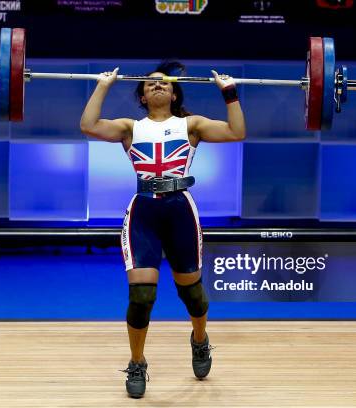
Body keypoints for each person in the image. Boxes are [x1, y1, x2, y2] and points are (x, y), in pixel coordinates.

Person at [80, 61, 246, 398]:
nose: (158, 86)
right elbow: (88, 126)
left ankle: (200, 340)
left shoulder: (192, 125)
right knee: (142, 296)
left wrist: (229, 93)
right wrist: (103, 85)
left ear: (174, 94)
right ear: (142, 95)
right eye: (151, 84)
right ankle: (137, 362)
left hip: (180, 211)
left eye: (165, 84)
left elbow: (236, 132)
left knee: (192, 294)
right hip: (144, 212)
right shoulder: (129, 128)